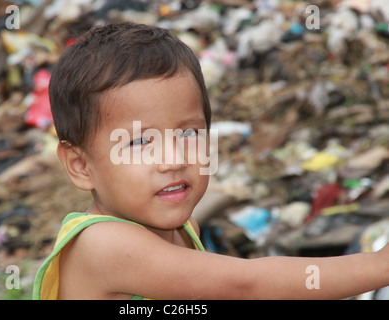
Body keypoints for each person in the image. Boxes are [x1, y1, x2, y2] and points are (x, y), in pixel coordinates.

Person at [33, 22, 389, 300]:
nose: (172, 159)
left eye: (188, 134)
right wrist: (378, 264)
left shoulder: (183, 230)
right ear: (81, 166)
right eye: (141, 141)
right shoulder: (104, 245)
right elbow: (247, 286)